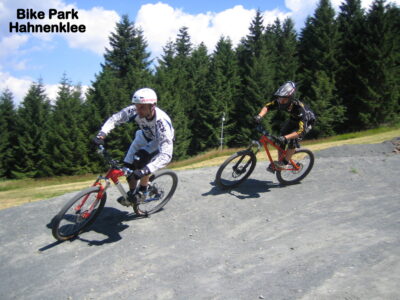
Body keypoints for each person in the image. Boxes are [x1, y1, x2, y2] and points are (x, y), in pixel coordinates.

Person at [93, 88, 174, 214]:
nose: (138, 110)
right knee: (128, 167)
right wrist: (101, 134)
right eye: (137, 106)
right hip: (142, 137)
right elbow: (115, 118)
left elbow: (167, 154)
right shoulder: (135, 110)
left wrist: (145, 170)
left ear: (153, 106)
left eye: (142, 107)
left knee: (140, 162)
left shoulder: (161, 122)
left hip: (157, 142)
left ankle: (143, 190)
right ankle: (132, 195)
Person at [254, 81, 315, 172]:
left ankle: (285, 163)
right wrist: (259, 116)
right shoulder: (280, 101)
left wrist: (285, 137)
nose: (281, 101)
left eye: (284, 99)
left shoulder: (299, 108)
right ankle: (280, 162)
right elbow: (267, 106)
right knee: (281, 137)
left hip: (306, 123)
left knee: (292, 140)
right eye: (279, 98)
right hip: (294, 120)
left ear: (290, 98)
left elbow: (300, 131)